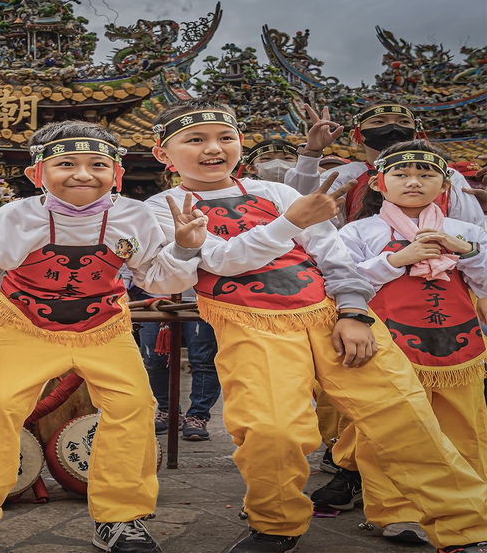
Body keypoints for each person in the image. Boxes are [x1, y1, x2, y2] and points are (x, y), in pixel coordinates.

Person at [144, 98, 487, 553]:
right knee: (272, 429)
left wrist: (352, 312)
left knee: (406, 418)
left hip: (331, 316)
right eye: (195, 140)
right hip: (253, 326)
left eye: (225, 137)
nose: (214, 148)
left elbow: (332, 255)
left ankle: (466, 530)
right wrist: (289, 224)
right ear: (163, 154)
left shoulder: (278, 193)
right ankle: (276, 523)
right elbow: (224, 263)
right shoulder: (162, 207)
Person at [0, 120, 208, 553]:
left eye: (98, 164)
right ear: (38, 173)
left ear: (117, 173)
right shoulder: (16, 216)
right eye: (66, 163)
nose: (83, 174)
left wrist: (183, 248)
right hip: (23, 324)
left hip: (104, 327)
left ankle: (120, 518)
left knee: (134, 406)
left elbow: (157, 279)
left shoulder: (134, 215)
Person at [334, 140, 487, 545]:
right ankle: (394, 511)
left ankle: (470, 509)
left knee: (465, 430)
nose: (414, 182)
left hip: (458, 345)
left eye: (426, 174)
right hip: (389, 345)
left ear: (444, 184)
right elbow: (343, 283)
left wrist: (466, 251)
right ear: (380, 183)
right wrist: (397, 259)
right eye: (402, 174)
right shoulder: (359, 231)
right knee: (390, 429)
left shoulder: (468, 232)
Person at [284, 102, 486, 227]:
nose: (393, 128)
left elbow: (470, 227)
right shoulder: (346, 175)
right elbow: (302, 207)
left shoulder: (447, 175)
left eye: (403, 122)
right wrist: (311, 154)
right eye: (379, 122)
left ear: (416, 133)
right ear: (357, 134)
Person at [138, 289, 220, 442]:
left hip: (201, 294)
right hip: (153, 295)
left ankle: (198, 415)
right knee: (154, 359)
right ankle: (167, 410)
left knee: (204, 360)